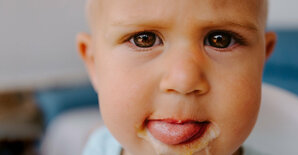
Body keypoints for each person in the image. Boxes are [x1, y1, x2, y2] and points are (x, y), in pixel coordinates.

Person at [77, 0, 276, 154]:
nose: (184, 80)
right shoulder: (98, 147)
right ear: (94, 63)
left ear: (261, 60)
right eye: (144, 39)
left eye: (220, 40)